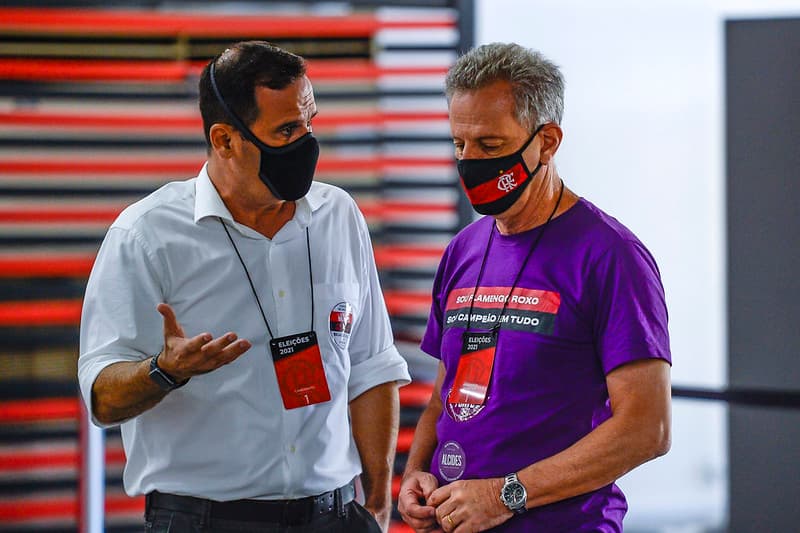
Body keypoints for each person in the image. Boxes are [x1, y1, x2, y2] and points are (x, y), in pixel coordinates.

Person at [78, 41, 410, 533]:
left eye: (309, 122)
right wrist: (165, 371)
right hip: (205, 520)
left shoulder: (338, 216)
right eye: (286, 130)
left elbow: (371, 366)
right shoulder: (146, 235)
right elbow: (102, 400)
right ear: (225, 140)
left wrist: (379, 505)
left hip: (335, 516)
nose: (307, 142)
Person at [397, 43, 672, 532]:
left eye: (490, 146)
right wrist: (417, 471)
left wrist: (507, 495)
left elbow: (647, 429)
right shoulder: (463, 249)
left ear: (546, 142)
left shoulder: (611, 255)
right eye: (459, 144)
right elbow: (446, 392)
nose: (469, 161)